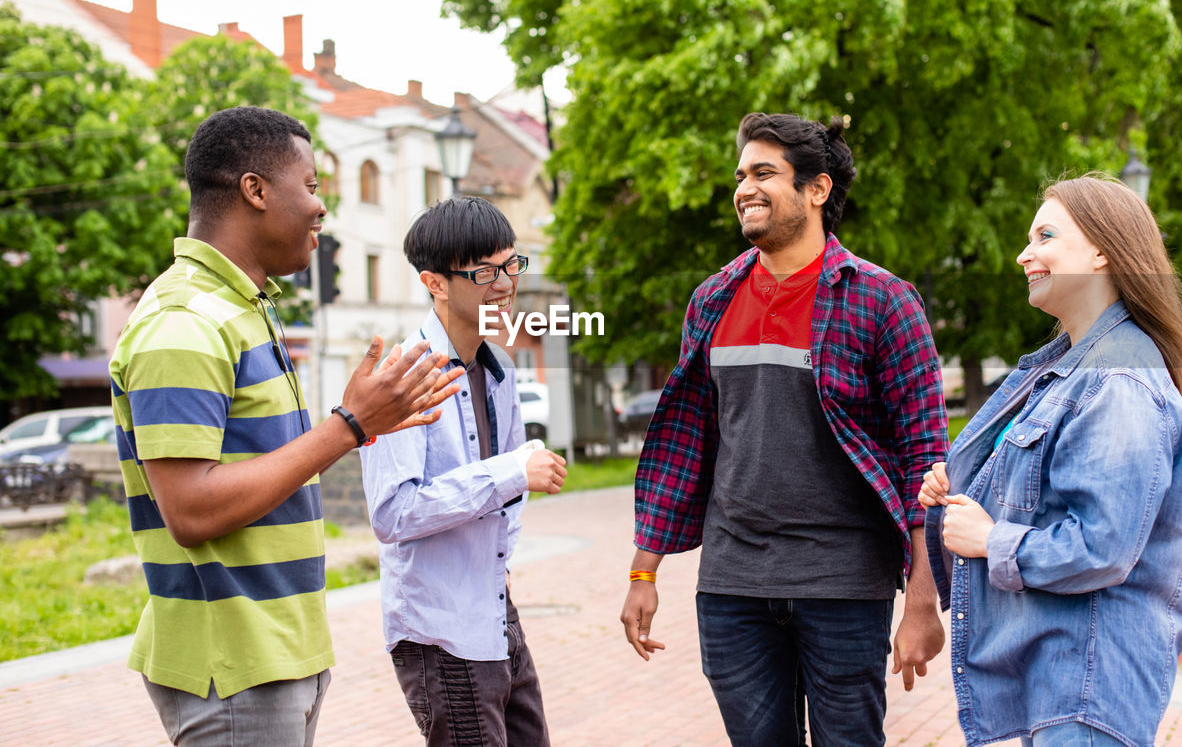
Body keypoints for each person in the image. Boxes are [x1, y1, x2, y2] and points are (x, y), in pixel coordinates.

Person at [110, 106, 463, 746]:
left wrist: (372, 421)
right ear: (255, 190)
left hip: (275, 652)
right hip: (234, 662)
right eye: (312, 185)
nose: (321, 208)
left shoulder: (247, 307)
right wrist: (349, 425)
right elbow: (189, 510)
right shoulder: (185, 322)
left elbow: (269, 465)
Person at [620, 112, 949, 746]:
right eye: (741, 174)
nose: (744, 187)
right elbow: (690, 444)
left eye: (764, 173)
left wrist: (922, 600)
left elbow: (925, 457)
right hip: (732, 587)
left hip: (844, 585)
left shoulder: (883, 300)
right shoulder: (712, 301)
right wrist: (643, 574)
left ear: (816, 190)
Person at [920, 175, 1182, 747]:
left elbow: (1102, 546)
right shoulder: (1071, 369)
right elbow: (1046, 497)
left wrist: (988, 538)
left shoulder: (1118, 379)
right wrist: (964, 493)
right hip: (1063, 680)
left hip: (1088, 685)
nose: (1025, 254)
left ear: (1102, 251)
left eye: (1046, 235)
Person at [359, 196, 568, 746]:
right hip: (439, 630)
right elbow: (393, 513)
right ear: (435, 283)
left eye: (510, 265)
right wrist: (510, 473)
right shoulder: (401, 377)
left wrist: (501, 549)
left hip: (494, 609)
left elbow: (509, 492)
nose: (503, 284)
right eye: (483, 272)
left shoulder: (496, 369)